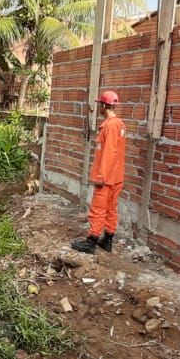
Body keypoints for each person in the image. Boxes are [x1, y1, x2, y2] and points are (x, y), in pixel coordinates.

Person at [71, 90, 128, 254]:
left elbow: (109, 153)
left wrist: (101, 176)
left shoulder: (110, 126)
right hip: (117, 176)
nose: (99, 108)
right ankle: (107, 240)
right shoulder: (120, 125)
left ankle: (91, 241)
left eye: (100, 105)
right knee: (111, 208)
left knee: (98, 209)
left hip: (107, 177)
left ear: (104, 105)